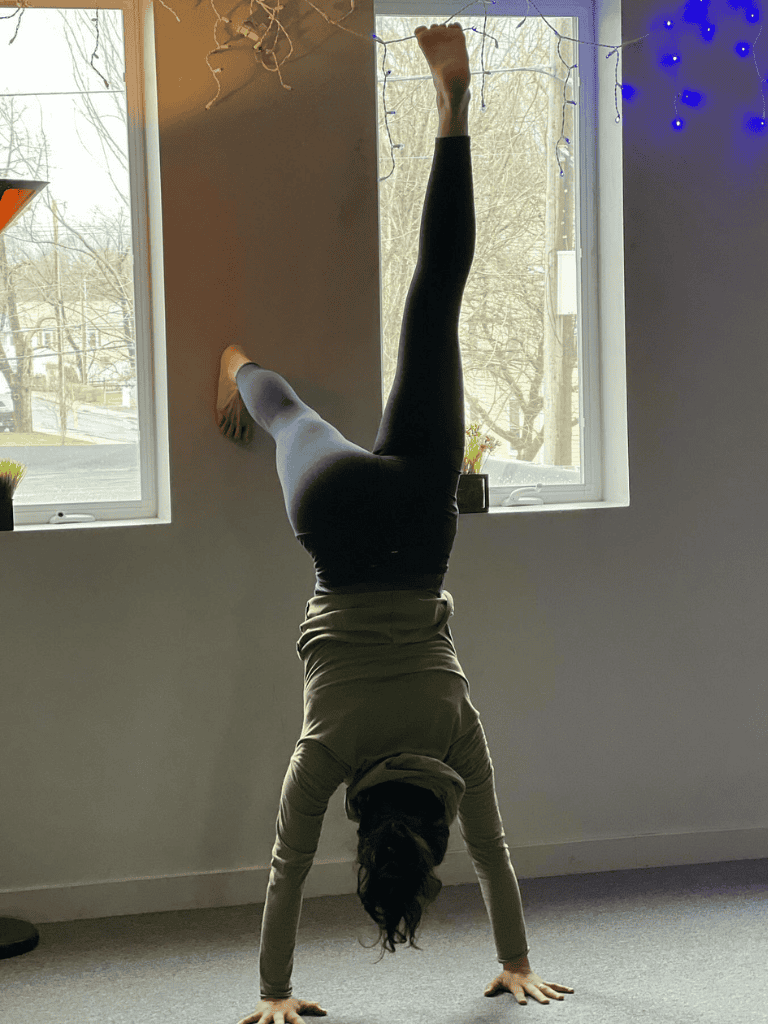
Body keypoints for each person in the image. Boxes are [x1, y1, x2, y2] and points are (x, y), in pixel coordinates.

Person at [217, 24, 575, 1024]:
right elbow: (285, 870)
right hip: (336, 520)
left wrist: (516, 955)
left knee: (436, 300)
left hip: (417, 514)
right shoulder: (324, 752)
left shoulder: (458, 738)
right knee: (286, 412)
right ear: (365, 827)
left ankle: (453, 107)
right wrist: (274, 992)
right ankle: (239, 363)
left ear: (434, 832)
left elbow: (499, 856)